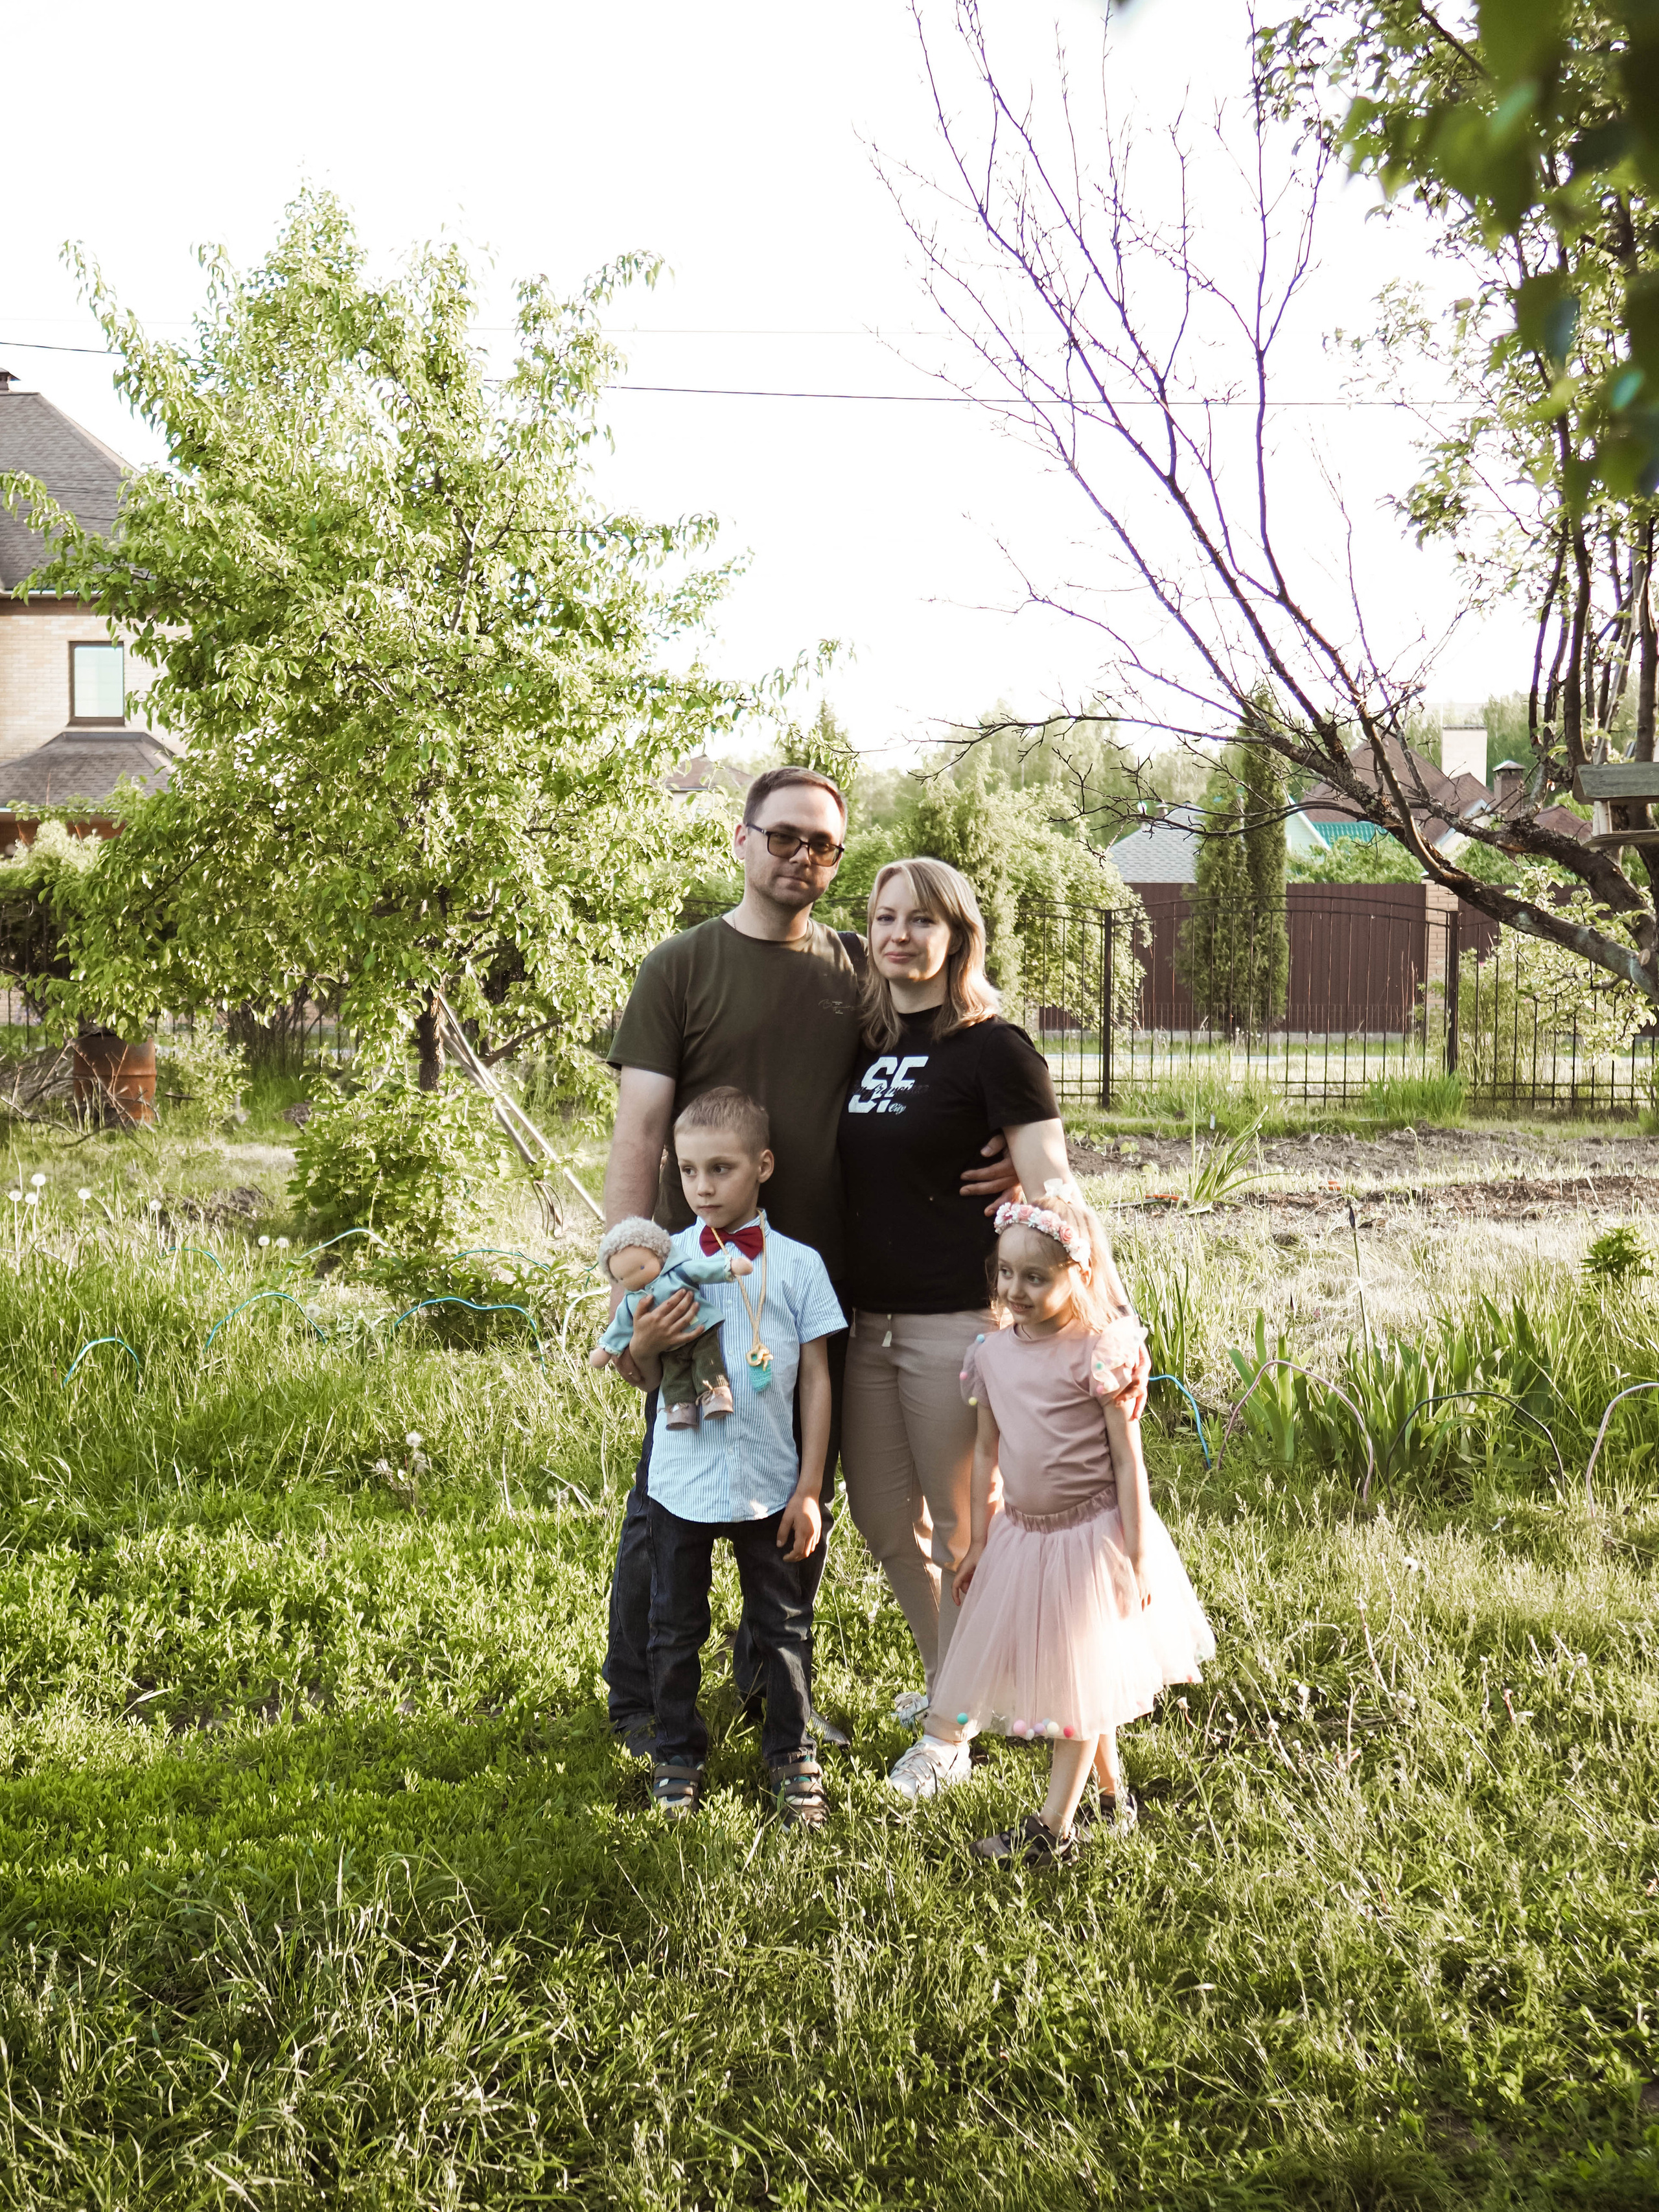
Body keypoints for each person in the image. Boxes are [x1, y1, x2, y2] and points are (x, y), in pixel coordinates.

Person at [600, 767, 1018, 1758]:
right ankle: (641, 1705)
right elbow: (638, 1134)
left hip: (813, 1294)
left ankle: (768, 1692)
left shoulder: (853, 969)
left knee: (795, 1500)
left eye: (823, 846)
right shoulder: (682, 966)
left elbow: (950, 1033)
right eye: (783, 837)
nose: (802, 857)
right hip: (697, 1287)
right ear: (741, 841)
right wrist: (631, 1285)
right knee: (670, 1499)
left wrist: (1011, 1139)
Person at [837, 857, 1119, 1804]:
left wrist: (1106, 1311)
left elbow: (1052, 1181)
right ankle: (951, 1679)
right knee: (885, 1523)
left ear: (959, 935)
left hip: (958, 1322)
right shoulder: (865, 1044)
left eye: (922, 920)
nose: (900, 936)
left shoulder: (997, 1049)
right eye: (884, 919)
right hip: (863, 1321)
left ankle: (949, 1731)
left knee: (967, 1528)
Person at [928, 1189, 1215, 1865]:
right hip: (1024, 1538)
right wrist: (976, 1540)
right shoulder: (992, 1355)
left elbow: (1127, 1458)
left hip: (1093, 1538)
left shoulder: (1097, 1352)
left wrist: (1139, 1556)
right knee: (1079, 1675)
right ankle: (1113, 1794)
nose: (1014, 1288)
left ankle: (1052, 1827)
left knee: (1078, 1688)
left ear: (1077, 1275)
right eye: (1005, 1272)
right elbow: (986, 1452)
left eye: (1036, 1276)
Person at [628, 1086, 845, 1828]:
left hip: (770, 1483)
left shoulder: (799, 1266)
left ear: (764, 1165)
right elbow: (640, 1373)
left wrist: (810, 1484)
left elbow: (816, 1378)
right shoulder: (665, 1262)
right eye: (688, 1171)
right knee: (672, 1626)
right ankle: (677, 1753)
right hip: (680, 1484)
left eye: (720, 1169)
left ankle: (791, 1753)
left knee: (783, 1624)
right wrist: (647, 1346)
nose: (702, 1187)